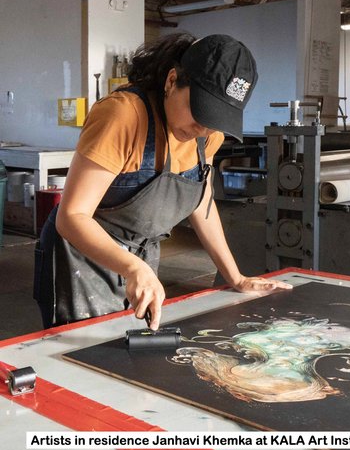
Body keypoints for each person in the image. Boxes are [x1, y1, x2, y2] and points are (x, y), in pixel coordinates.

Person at [34, 32, 291, 330]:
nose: (204, 128)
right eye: (200, 111)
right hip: (80, 260)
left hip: (138, 259)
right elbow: (72, 217)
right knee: (83, 357)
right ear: (171, 81)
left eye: (216, 118)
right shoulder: (123, 116)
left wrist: (235, 277)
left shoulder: (208, 135)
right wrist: (132, 267)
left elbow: (202, 204)